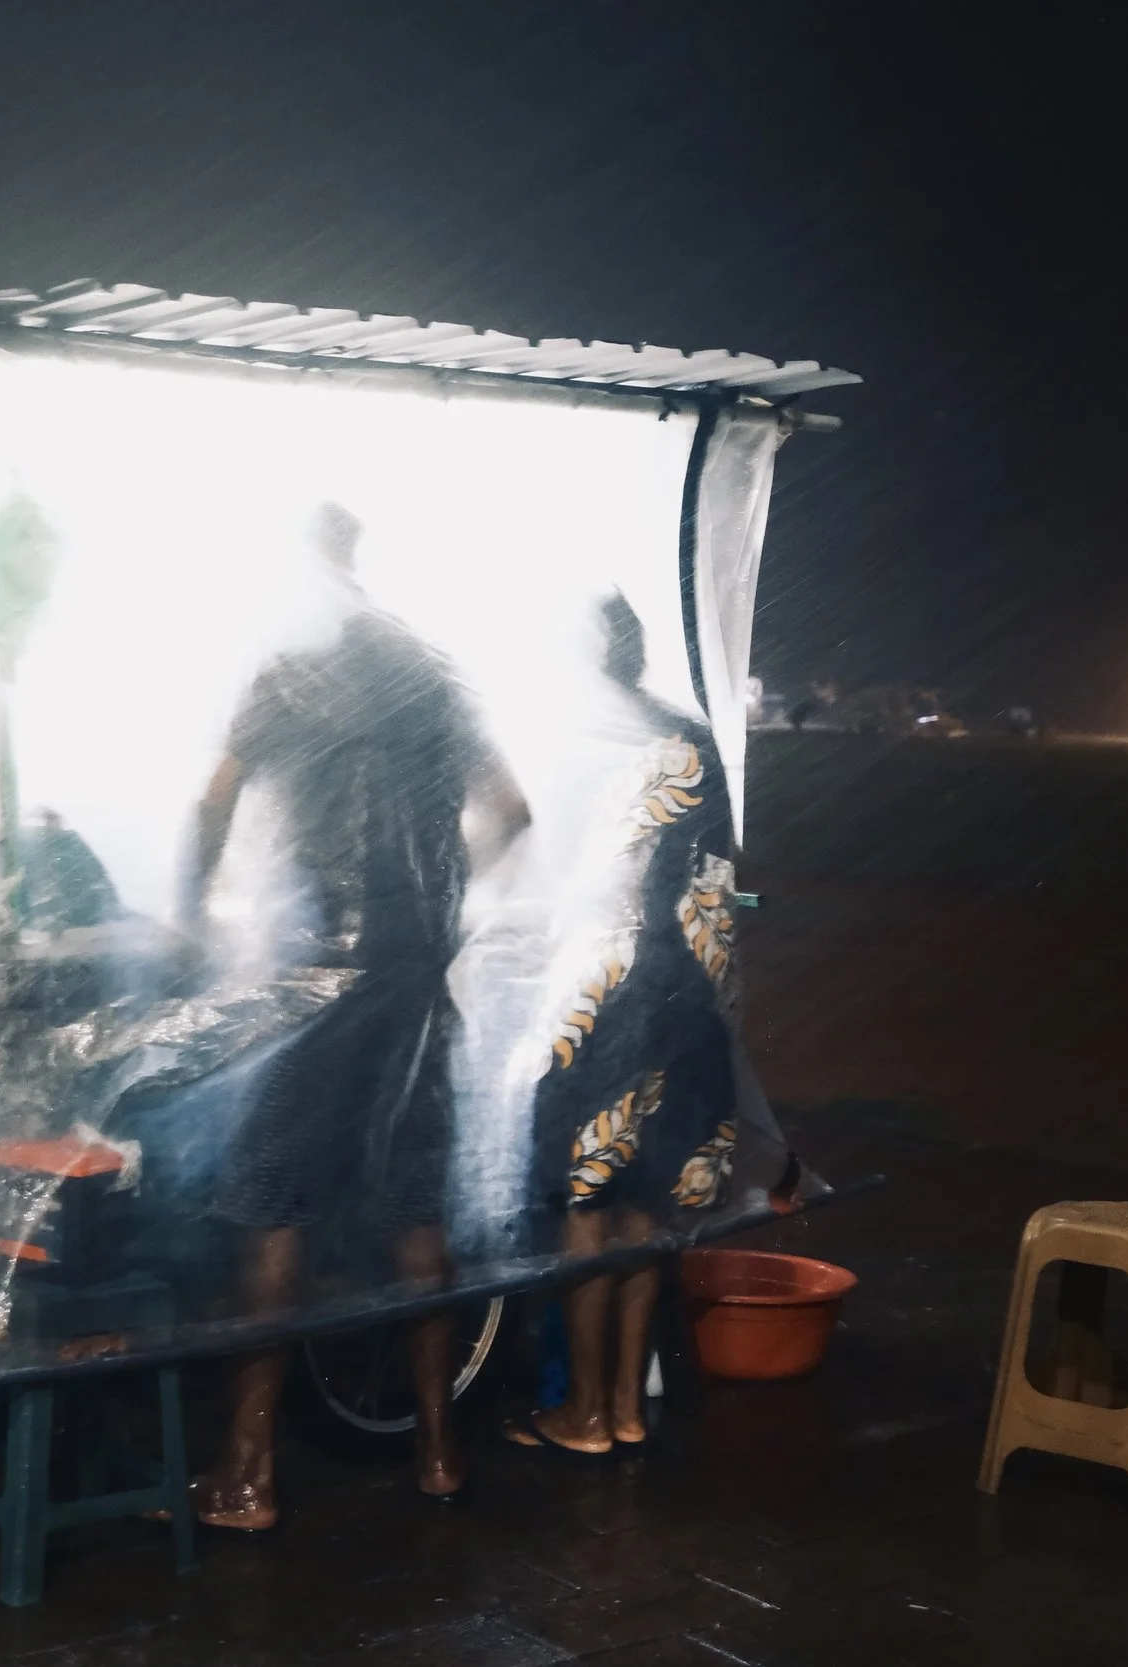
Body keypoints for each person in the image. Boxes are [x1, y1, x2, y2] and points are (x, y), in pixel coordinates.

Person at [182, 503, 530, 1531]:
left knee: (271, 1201)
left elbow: (212, 802)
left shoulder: (285, 665)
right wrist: (434, 908)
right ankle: (436, 1448)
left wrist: (195, 908)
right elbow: (512, 807)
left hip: (315, 978)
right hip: (415, 974)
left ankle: (245, 1475)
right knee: (413, 1205)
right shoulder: (429, 663)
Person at [506, 592, 744, 1457]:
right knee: (643, 1203)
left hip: (603, 993)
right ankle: (626, 1408)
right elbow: (713, 877)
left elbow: (542, 868)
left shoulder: (575, 741)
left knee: (582, 1196)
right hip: (686, 994)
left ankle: (585, 1416)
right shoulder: (690, 735)